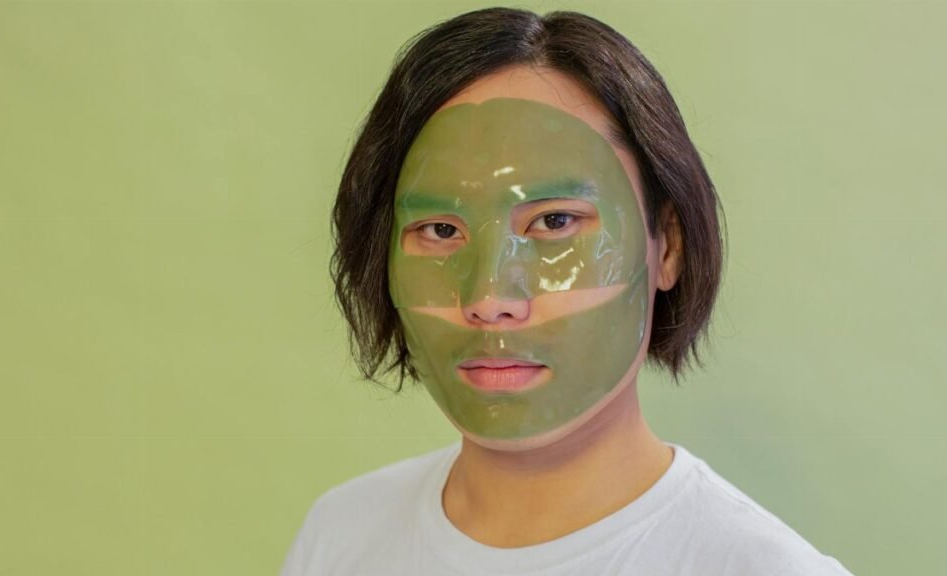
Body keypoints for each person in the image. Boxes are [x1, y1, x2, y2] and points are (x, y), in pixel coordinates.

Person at [282, 7, 854, 575]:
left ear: (669, 246)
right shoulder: (341, 534)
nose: (487, 297)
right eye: (440, 231)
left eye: (555, 223)